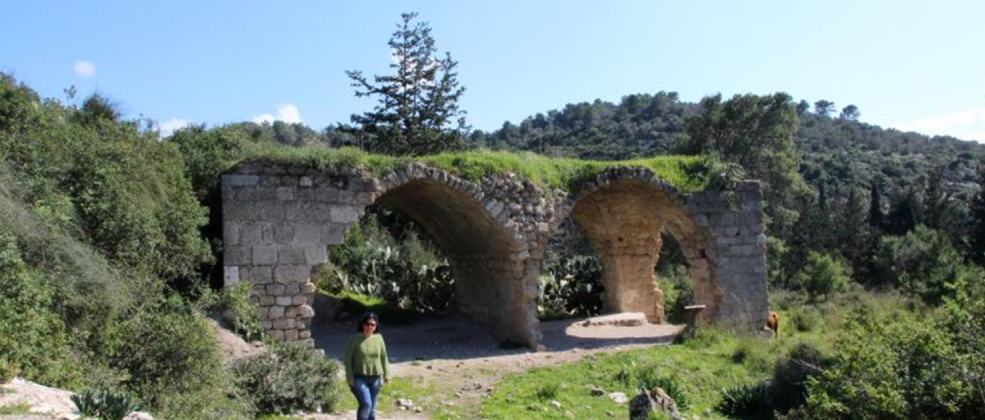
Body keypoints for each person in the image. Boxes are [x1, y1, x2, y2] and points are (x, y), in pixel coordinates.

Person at [344, 312, 390, 420]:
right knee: (366, 404)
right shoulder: (354, 339)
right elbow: (348, 359)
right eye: (367, 324)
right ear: (362, 325)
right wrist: (349, 377)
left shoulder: (379, 339)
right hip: (358, 378)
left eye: (372, 325)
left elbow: (384, 357)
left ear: (376, 326)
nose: (370, 327)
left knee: (372, 409)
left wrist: (386, 374)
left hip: (375, 378)